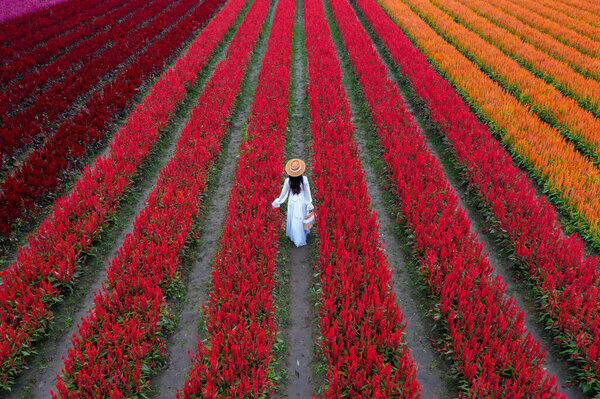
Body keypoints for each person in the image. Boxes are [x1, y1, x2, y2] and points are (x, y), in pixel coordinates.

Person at [272, 159, 314, 247]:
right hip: (302, 201)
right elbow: (307, 193)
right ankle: (300, 236)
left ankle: (295, 236)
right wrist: (309, 203)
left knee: (293, 218)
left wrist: (278, 201)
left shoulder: (288, 181)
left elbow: (283, 194)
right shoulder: (304, 179)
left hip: (292, 202)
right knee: (301, 218)